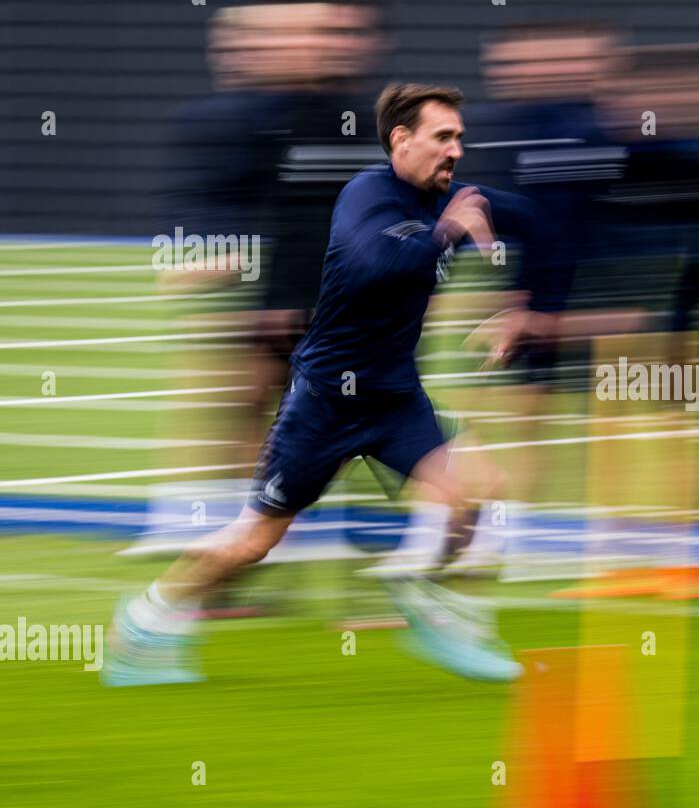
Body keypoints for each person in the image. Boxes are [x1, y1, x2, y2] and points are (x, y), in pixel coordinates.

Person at [104, 83, 558, 687]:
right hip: (324, 404)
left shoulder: (458, 197)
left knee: (478, 492)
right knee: (254, 541)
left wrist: (523, 305)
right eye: (443, 137)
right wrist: (447, 232)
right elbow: (377, 263)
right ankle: (146, 619)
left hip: (395, 399)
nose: (456, 151)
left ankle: (433, 608)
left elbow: (545, 229)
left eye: (460, 139)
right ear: (401, 139)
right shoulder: (366, 194)